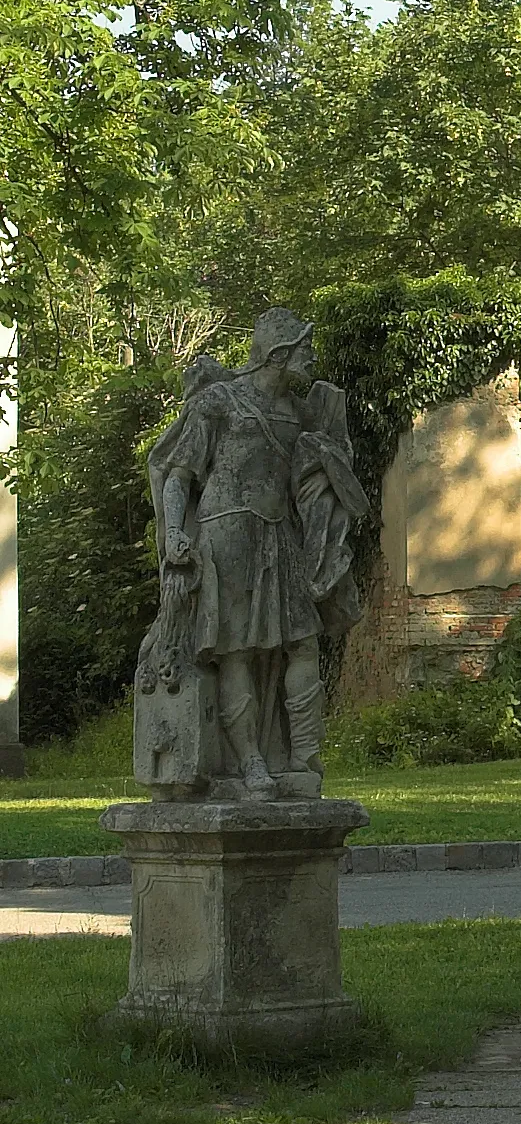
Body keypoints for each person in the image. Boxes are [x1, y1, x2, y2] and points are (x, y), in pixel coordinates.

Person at [142, 307, 365, 798]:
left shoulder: (302, 413)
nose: (311, 357)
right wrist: (176, 533)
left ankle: (304, 758)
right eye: (304, 349)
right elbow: (179, 475)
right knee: (236, 652)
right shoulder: (219, 403)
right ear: (279, 355)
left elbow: (323, 467)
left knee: (303, 643)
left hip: (282, 539)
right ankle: (251, 764)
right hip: (226, 540)